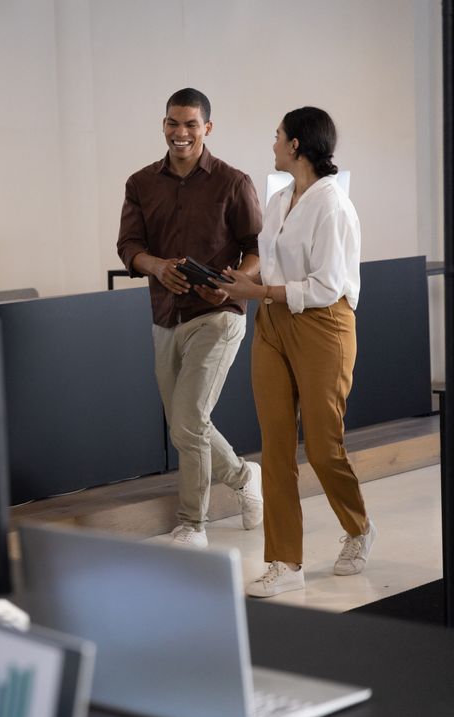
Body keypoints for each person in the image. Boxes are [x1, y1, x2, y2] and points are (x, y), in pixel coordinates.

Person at [215, 106, 375, 598]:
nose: (273, 143)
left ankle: (358, 527)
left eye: (278, 136)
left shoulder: (333, 205)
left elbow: (327, 286)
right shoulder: (281, 197)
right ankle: (285, 562)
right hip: (273, 324)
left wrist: (259, 293)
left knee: (325, 447)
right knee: (276, 445)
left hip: (323, 325)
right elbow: (276, 269)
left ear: (297, 145)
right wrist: (245, 282)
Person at [117, 88, 264, 548]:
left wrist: (236, 280)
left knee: (189, 418)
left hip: (218, 314)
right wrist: (156, 266)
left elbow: (258, 249)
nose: (180, 133)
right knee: (185, 425)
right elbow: (128, 247)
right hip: (166, 315)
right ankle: (243, 477)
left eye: (190, 125)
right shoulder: (141, 183)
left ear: (207, 128)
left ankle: (192, 525)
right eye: (172, 123)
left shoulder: (232, 182)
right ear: (164, 124)